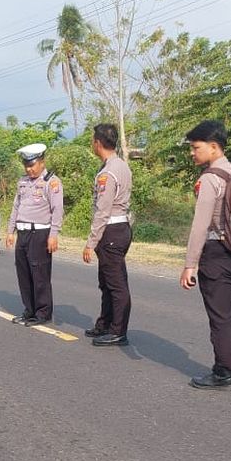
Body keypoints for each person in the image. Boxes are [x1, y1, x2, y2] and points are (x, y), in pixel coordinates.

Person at [179, 120, 231, 390]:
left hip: (219, 255)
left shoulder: (209, 179)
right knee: (223, 313)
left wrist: (190, 264)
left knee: (220, 316)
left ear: (213, 147)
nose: (192, 152)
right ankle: (228, 367)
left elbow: (200, 225)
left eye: (195, 147)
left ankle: (226, 372)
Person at [82, 123, 133, 346]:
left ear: (98, 143)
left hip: (111, 230)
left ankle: (118, 330)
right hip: (120, 228)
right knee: (106, 280)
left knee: (116, 283)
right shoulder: (121, 165)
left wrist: (90, 243)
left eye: (93, 140)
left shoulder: (108, 173)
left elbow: (103, 210)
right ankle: (105, 324)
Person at [5, 143, 63, 326]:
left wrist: (53, 234)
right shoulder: (22, 182)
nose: (29, 169)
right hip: (22, 233)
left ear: (42, 162)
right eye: (26, 166)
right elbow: (16, 207)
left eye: (32, 165)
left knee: (39, 275)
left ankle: (42, 313)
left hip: (40, 233)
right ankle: (29, 310)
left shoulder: (51, 182)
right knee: (24, 273)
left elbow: (57, 210)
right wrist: (10, 231)